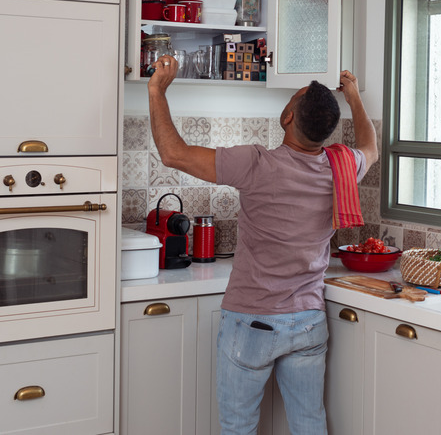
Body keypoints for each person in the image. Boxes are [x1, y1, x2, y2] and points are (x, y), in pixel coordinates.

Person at [147, 55, 378, 435]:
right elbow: (370, 145)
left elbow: (174, 154)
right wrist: (353, 96)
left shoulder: (257, 164)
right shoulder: (343, 167)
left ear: (287, 117)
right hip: (309, 321)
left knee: (238, 428)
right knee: (309, 425)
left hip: (252, 321)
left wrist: (157, 90)